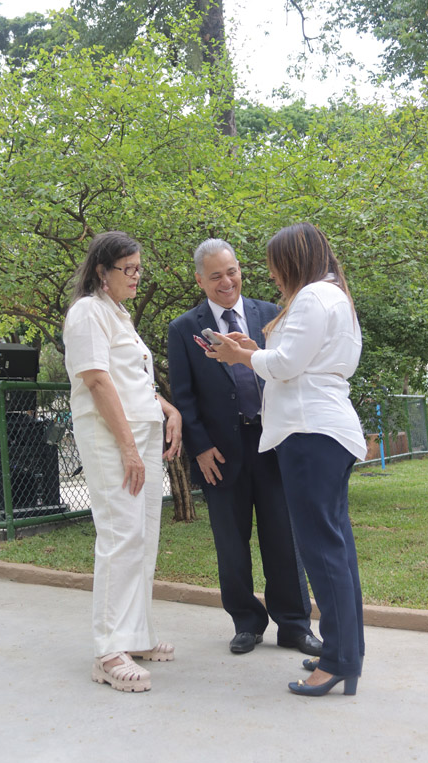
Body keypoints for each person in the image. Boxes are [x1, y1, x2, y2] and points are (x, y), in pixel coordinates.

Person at [206, 223, 366, 696]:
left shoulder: (312, 297)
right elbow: (300, 360)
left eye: (275, 266)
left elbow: (286, 365)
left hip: (310, 433)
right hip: (326, 432)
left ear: (293, 261)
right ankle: (346, 651)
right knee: (337, 550)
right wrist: (257, 352)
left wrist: (241, 357)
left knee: (322, 552)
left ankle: (337, 661)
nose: (273, 276)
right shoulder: (334, 296)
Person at [168, 238, 321, 657]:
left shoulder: (271, 315)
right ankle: (246, 623)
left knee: (284, 539)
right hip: (219, 454)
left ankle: (294, 625)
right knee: (231, 544)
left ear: (240, 270)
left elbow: (289, 374)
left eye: (232, 271)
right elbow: (184, 395)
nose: (227, 281)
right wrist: (200, 447)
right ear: (200, 280)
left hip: (273, 444)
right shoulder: (183, 329)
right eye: (216, 275)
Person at [64, 231, 182, 693]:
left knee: (143, 535)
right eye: (127, 269)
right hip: (112, 437)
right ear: (102, 271)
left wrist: (166, 408)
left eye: (138, 268)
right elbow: (97, 381)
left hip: (142, 429)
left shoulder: (118, 314)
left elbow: (131, 379)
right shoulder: (87, 312)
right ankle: (109, 651)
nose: (136, 277)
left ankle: (136, 634)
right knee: (120, 536)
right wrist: (128, 447)